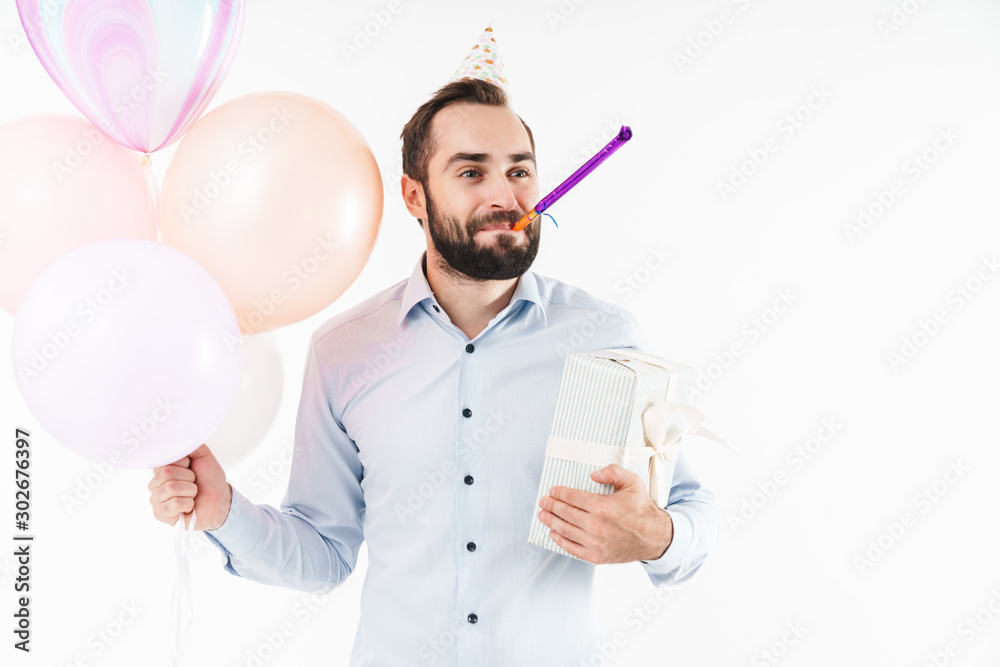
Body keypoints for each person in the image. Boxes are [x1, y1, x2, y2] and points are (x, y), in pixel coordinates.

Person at [148, 29, 717, 667]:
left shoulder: (608, 340)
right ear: (415, 196)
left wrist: (656, 535)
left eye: (519, 170)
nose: (505, 196)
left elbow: (691, 515)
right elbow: (324, 556)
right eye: (472, 172)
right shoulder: (344, 353)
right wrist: (225, 511)